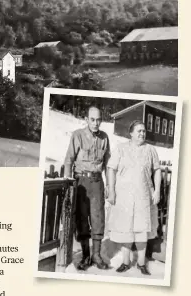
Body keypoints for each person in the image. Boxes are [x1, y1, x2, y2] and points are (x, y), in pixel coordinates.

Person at [106, 120, 161, 275]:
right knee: (126, 230)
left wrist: (156, 191)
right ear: (131, 133)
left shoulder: (150, 150)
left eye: (144, 131)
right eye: (139, 131)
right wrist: (111, 191)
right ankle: (125, 261)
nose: (142, 133)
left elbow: (157, 170)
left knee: (142, 231)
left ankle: (142, 264)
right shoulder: (121, 149)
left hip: (144, 197)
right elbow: (111, 169)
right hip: (124, 197)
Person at [64, 105, 110, 271]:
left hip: (97, 183)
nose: (95, 123)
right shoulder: (78, 136)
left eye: (98, 120)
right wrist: (68, 186)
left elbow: (108, 164)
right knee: (82, 219)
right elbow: (68, 160)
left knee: (98, 219)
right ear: (86, 119)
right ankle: (85, 255)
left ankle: (97, 255)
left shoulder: (105, 138)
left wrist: (111, 185)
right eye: (92, 119)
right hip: (81, 182)